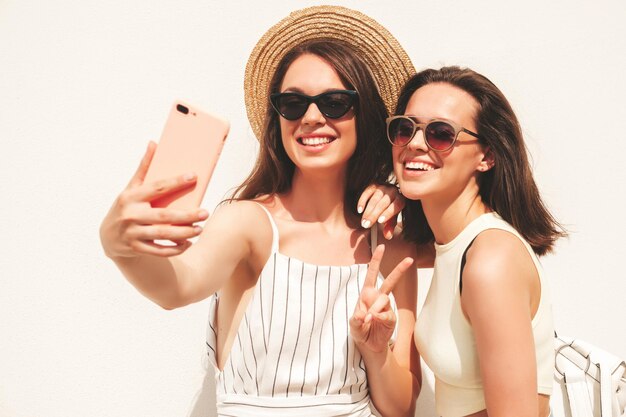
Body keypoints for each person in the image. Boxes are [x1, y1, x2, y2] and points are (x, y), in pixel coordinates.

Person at [100, 6, 422, 417]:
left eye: (335, 102)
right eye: (292, 103)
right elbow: (176, 286)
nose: (311, 117)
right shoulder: (249, 223)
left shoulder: (391, 240)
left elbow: (401, 409)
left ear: (367, 116)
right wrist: (120, 248)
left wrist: (376, 353)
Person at [386, 66, 566, 417]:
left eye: (441, 134)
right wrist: (386, 194)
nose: (415, 144)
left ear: (487, 156)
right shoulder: (452, 246)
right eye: (404, 129)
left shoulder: (489, 261)